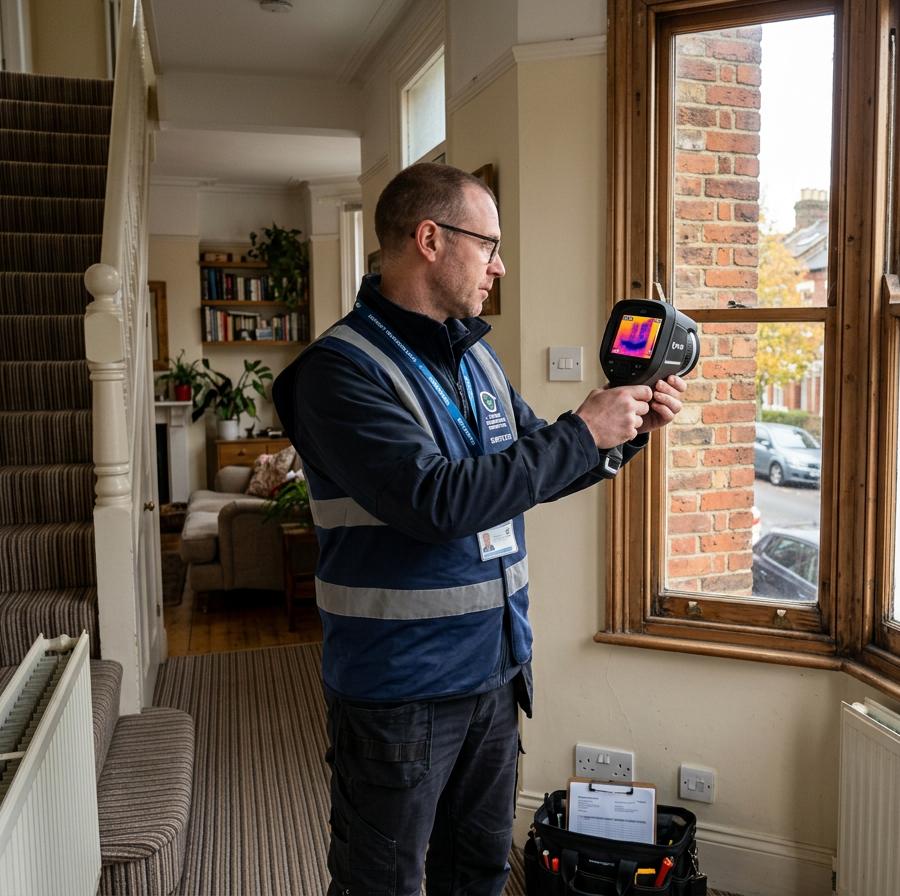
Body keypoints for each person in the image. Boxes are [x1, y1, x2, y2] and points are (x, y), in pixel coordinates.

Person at [272, 162, 686, 896]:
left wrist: (622, 429)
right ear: (429, 239)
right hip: (400, 690)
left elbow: (535, 464)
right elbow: (437, 502)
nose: (501, 264)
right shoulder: (335, 375)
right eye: (488, 244)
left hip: (494, 673)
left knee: (479, 875)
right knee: (382, 885)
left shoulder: (475, 358)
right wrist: (580, 433)